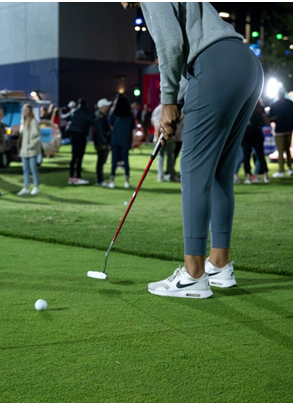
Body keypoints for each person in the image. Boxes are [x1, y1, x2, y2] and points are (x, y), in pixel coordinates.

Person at [121, 2, 264, 298]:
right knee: (219, 173)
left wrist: (169, 102)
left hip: (215, 64)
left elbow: (170, 45)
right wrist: (175, 106)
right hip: (245, 65)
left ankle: (193, 275)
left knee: (192, 168)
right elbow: (188, 61)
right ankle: (219, 266)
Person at [107, 94, 134, 189]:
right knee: (126, 160)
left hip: (115, 139)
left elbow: (110, 123)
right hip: (125, 139)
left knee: (114, 161)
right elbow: (132, 129)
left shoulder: (114, 113)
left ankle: (112, 180)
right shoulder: (130, 115)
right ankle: (127, 181)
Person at [268, 89, 293, 177]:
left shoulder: (275, 104)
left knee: (280, 151)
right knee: (288, 150)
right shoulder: (290, 103)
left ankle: (281, 170)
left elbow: (270, 117)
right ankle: (290, 168)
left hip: (280, 130)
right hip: (289, 129)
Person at [65, 98, 94, 185]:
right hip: (81, 135)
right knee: (79, 157)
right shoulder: (86, 112)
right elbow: (92, 121)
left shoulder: (74, 111)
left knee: (74, 157)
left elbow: (65, 117)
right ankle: (78, 177)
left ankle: (71, 177)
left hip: (73, 135)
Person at [241, 100, 269, 184]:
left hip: (246, 133)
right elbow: (265, 121)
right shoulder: (259, 108)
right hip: (256, 132)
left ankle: (248, 176)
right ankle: (265, 175)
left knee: (246, 155)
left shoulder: (244, 107)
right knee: (260, 155)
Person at [17, 104, 42, 196]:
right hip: (24, 150)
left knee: (33, 168)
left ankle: (36, 186)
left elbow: (37, 135)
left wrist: (31, 145)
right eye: (24, 110)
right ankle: (26, 187)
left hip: (31, 150)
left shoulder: (33, 121)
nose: (25, 112)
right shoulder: (23, 122)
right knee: (25, 169)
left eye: (26, 110)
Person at [151, 103, 179, 182]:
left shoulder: (160, 108)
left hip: (166, 136)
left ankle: (165, 175)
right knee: (165, 157)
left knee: (165, 157)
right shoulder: (161, 109)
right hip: (162, 137)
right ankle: (165, 175)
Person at [94, 98, 112, 186]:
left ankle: (100, 179)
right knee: (101, 162)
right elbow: (101, 132)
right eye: (106, 106)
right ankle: (100, 180)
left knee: (101, 162)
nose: (108, 107)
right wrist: (106, 143)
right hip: (101, 143)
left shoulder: (102, 116)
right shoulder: (100, 117)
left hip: (101, 142)